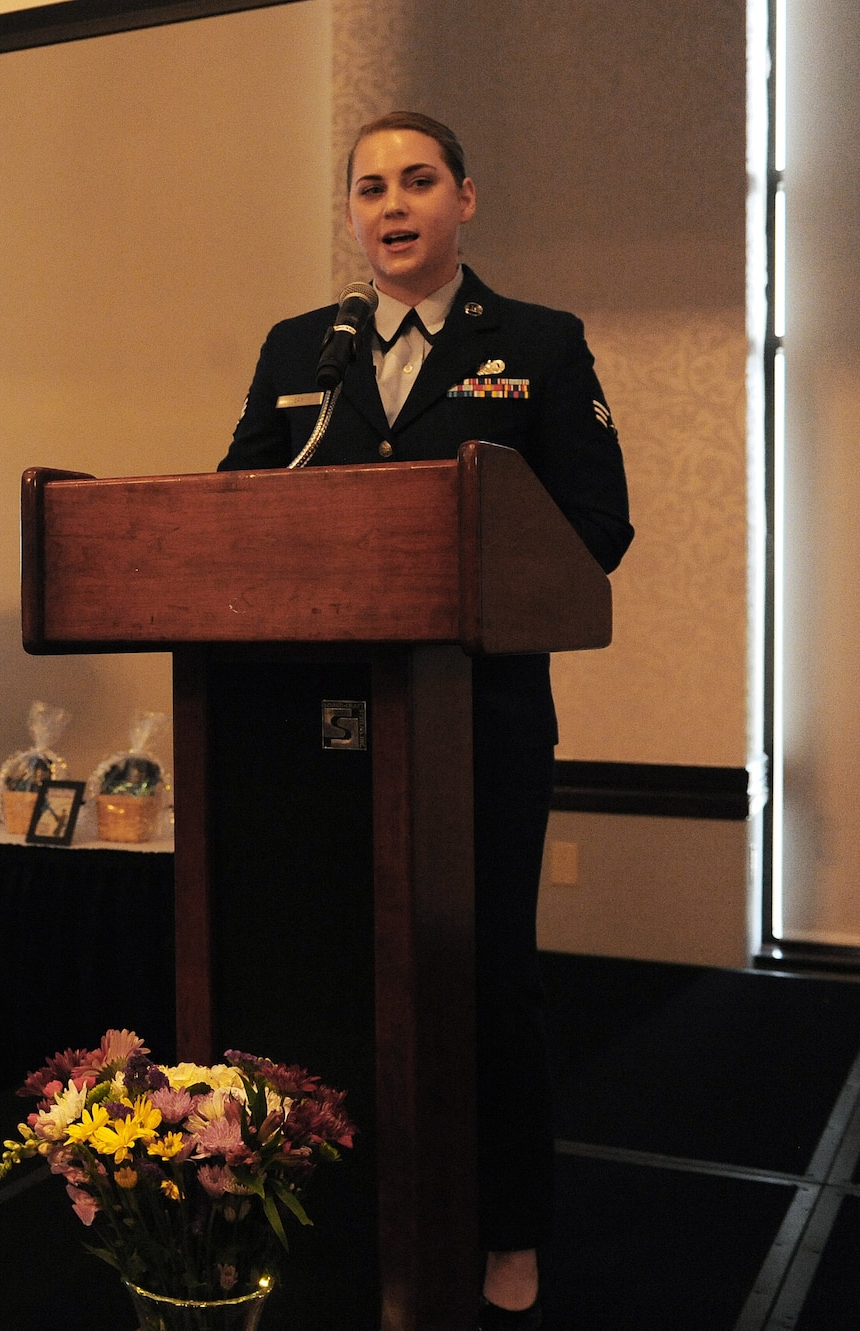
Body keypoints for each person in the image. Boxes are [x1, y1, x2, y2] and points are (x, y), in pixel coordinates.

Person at [220, 111, 634, 1329]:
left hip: (479, 715)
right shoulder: (304, 345)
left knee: (484, 973)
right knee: (323, 965)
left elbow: (593, 526)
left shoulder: (539, 345)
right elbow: (235, 504)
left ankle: (509, 1222)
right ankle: (336, 1199)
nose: (389, 206)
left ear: (465, 197)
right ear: (348, 212)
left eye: (415, 182)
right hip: (315, 714)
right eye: (366, 188)